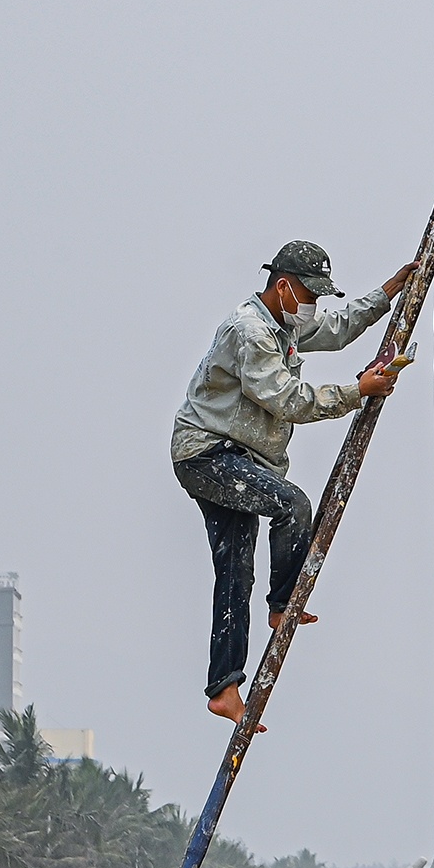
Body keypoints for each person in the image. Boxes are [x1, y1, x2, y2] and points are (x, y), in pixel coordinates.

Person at [172, 240, 416, 730]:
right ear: (283, 287)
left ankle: (224, 688)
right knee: (292, 506)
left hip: (238, 456)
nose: (313, 306)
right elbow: (288, 401)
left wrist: (387, 293)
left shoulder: (284, 322)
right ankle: (283, 605)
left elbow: (337, 329)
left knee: (235, 572)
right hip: (207, 454)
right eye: (309, 295)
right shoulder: (252, 333)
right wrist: (356, 392)